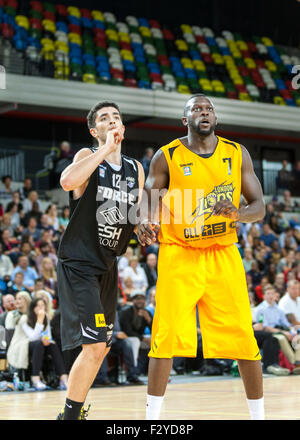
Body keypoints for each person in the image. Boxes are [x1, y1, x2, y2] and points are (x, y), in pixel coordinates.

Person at [137, 94, 266, 420]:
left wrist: (238, 213)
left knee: (243, 336)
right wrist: (144, 223)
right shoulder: (166, 157)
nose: (203, 112)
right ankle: (152, 419)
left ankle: (259, 416)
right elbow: (149, 200)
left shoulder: (237, 154)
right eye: (196, 108)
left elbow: (259, 208)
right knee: (164, 337)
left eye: (208, 108)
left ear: (216, 118)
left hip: (223, 253)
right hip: (179, 253)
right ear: (185, 120)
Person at [56, 101, 144, 420]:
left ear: (123, 127)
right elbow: (67, 182)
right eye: (104, 119)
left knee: (103, 345)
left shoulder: (135, 168)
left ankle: (74, 411)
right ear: (96, 131)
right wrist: (104, 150)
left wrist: (144, 225)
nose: (112, 121)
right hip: (79, 262)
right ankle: (68, 417)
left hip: (108, 265)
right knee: (94, 345)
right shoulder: (87, 157)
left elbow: (134, 214)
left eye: (116, 117)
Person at [22, 297, 68, 390]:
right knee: (39, 343)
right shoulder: (25, 318)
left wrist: (47, 339)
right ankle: (35, 378)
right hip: (26, 345)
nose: (40, 308)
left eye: (42, 305)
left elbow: (48, 335)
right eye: (38, 306)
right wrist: (39, 320)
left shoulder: (45, 316)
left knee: (53, 345)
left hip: (42, 344)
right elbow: (32, 337)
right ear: (33, 307)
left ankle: (63, 378)